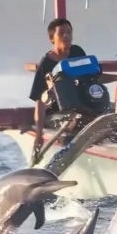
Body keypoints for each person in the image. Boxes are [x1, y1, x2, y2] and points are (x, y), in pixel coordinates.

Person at [28, 18, 86, 152]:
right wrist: (39, 135)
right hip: (57, 113)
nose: (66, 36)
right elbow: (40, 103)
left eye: (69, 32)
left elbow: (91, 76)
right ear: (51, 38)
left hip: (80, 106)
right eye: (61, 33)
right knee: (75, 120)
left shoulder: (77, 52)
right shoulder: (47, 64)